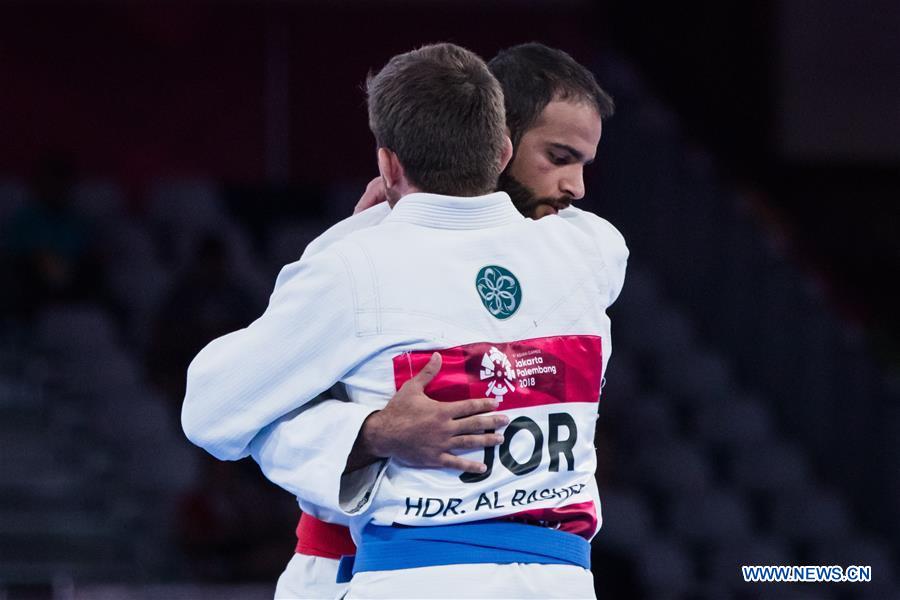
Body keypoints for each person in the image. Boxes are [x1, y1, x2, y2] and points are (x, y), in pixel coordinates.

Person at [183, 43, 626, 598]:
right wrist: (374, 434)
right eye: (559, 158)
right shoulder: (591, 252)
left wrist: (370, 226)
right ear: (503, 147)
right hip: (539, 578)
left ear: (389, 164)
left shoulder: (358, 261)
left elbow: (210, 411)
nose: (575, 189)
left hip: (419, 574)